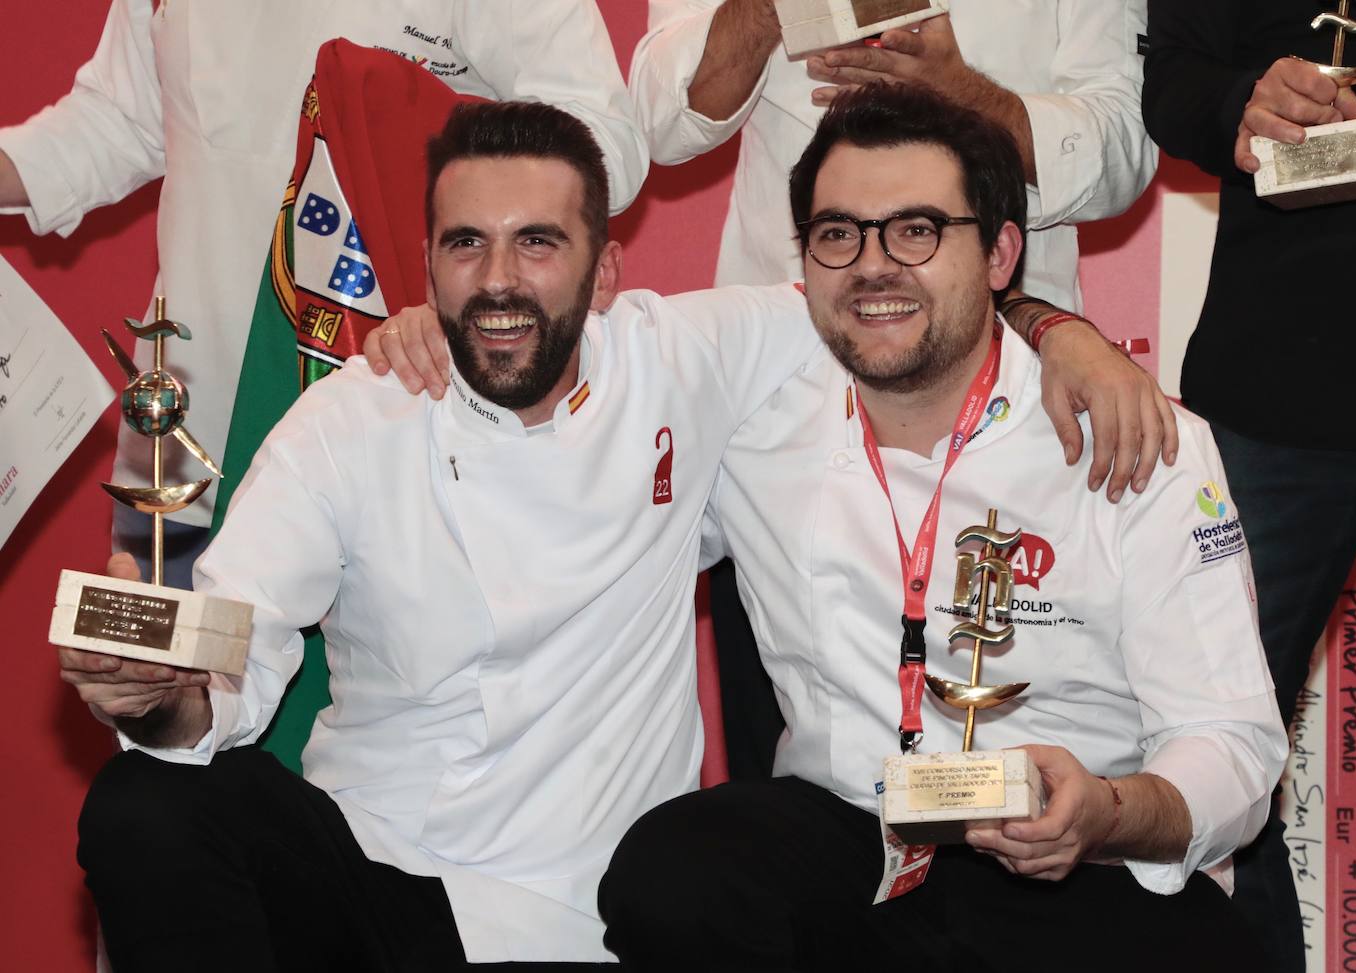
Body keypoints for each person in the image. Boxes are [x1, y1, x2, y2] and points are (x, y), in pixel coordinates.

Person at [56, 99, 818, 969]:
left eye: (537, 242)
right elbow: (238, 636)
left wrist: (1017, 316)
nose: (498, 279)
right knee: (143, 802)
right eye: (466, 243)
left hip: (593, 911)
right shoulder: (349, 419)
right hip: (380, 879)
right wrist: (161, 692)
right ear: (427, 264)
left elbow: (858, 305)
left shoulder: (680, 359)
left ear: (605, 274)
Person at [597, 82, 1287, 971]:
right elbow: (563, 368)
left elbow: (1234, 746)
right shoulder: (751, 416)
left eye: (918, 229)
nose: (875, 265)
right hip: (856, 838)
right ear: (803, 259)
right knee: (674, 876)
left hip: (1079, 856)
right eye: (839, 233)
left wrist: (1107, 812)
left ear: (1002, 252)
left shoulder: (1133, 438)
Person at [631, 0, 1169, 781]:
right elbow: (657, 119)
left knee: (1012, 748)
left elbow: (1124, 150)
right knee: (778, 788)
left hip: (1004, 392)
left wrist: (967, 95)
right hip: (786, 403)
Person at [0, 0, 649, 589]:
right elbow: (117, 122)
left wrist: (470, 284)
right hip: (184, 451)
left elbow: (602, 143)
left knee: (385, 715)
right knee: (167, 711)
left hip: (400, 443)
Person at [1141, 5, 1356, 968]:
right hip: (1283, 365)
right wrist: (1248, 105)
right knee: (1211, 736)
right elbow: (1175, 84)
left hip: (1281, 374)